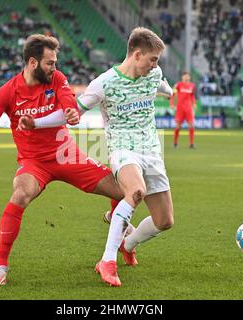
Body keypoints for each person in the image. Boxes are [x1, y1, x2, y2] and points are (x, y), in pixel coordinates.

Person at [0, 34, 126, 286]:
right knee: (20, 194)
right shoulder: (7, 92)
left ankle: (120, 237)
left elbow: (68, 100)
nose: (55, 68)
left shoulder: (56, 78)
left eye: (55, 62)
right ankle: (1, 265)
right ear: (33, 63)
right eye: (50, 63)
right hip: (34, 163)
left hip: (67, 155)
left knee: (124, 190)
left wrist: (70, 110)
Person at [31, 27, 175, 287]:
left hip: (153, 150)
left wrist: (169, 91)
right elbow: (72, 111)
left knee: (164, 221)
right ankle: (107, 261)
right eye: (152, 59)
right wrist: (37, 123)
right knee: (136, 191)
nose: (155, 65)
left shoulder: (154, 73)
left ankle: (128, 244)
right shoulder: (104, 83)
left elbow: (163, 86)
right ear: (137, 54)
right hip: (123, 149)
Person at [170, 71, 197, 148]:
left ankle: (191, 144)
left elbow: (192, 96)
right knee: (178, 126)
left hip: (188, 109)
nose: (186, 77)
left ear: (189, 77)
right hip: (180, 109)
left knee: (191, 125)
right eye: (185, 76)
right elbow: (173, 95)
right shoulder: (178, 85)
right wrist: (171, 104)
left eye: (188, 76)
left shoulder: (192, 86)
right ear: (182, 77)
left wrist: (194, 103)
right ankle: (175, 143)